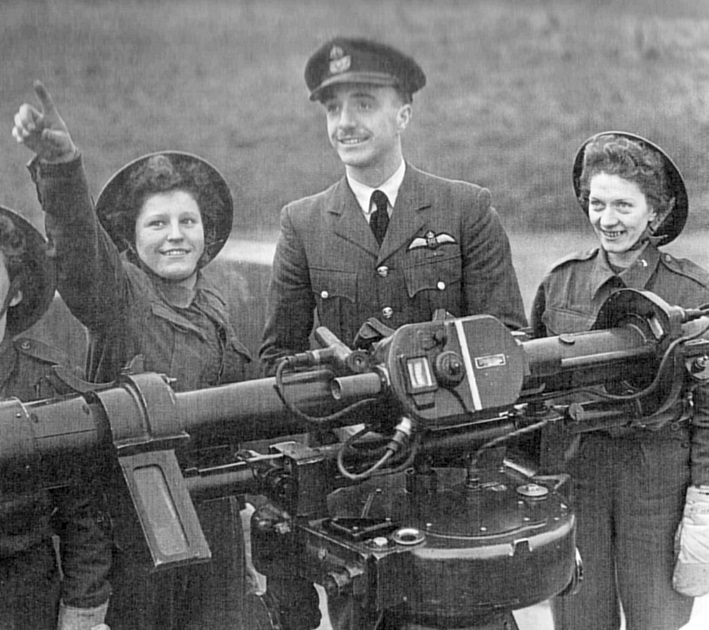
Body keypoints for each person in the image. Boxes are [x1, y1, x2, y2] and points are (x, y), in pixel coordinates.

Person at [258, 37, 527, 630]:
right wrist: (342, 421)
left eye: (363, 104)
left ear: (403, 113)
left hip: (457, 483)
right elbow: (277, 358)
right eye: (333, 108)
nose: (345, 123)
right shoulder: (303, 223)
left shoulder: (465, 209)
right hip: (355, 489)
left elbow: (508, 343)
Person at [12, 82, 255, 630]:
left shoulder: (219, 303)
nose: (175, 236)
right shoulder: (119, 296)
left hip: (215, 519)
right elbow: (80, 250)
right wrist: (61, 166)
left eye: (187, 221)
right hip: (139, 528)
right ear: (131, 237)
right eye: (157, 224)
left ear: (207, 232)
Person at [530, 131, 709, 630]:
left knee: (657, 619)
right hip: (575, 476)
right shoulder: (560, 283)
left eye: (624, 206)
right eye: (597, 203)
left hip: (656, 480)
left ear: (656, 212)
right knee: (579, 617)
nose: (607, 219)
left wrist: (704, 493)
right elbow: (533, 392)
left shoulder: (692, 292)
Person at [0, 205, 112, 630]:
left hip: (24, 602)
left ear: (15, 291)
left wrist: (82, 614)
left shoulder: (46, 384)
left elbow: (83, 517)